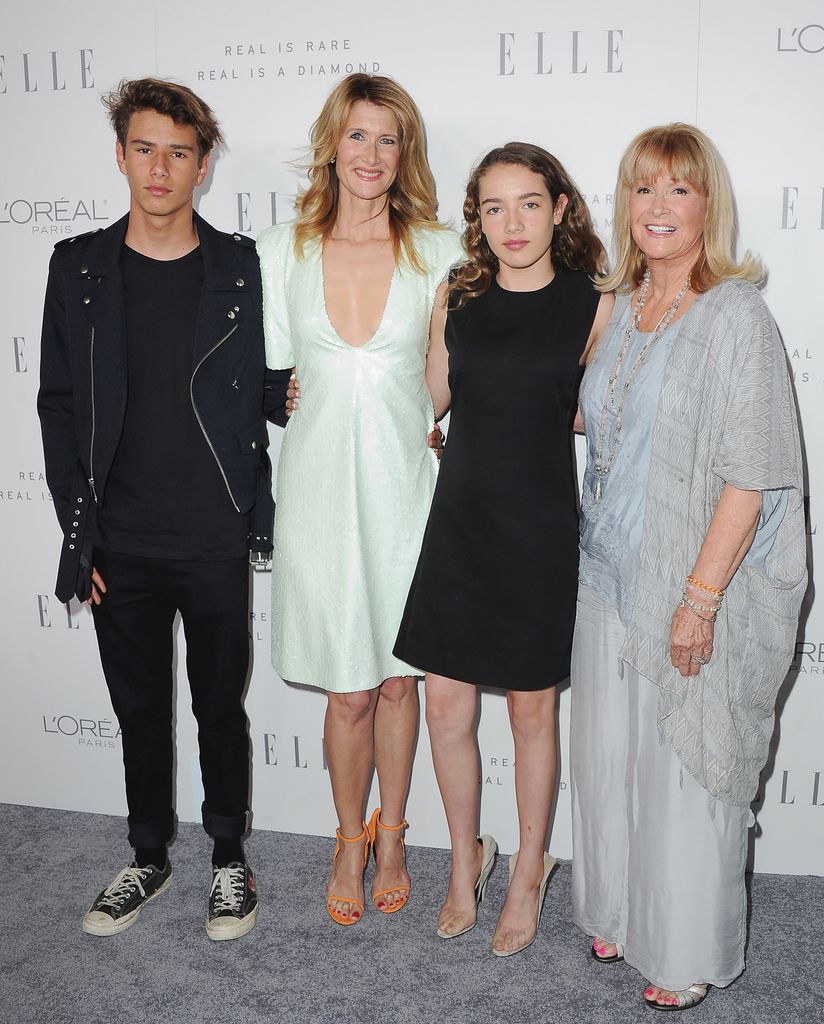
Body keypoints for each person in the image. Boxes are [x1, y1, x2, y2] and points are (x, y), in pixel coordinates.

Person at [37, 78, 289, 940]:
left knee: (219, 707)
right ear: (120, 155)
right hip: (122, 540)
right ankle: (147, 854)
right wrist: (82, 534)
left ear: (203, 165)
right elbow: (58, 404)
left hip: (214, 531)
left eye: (179, 152)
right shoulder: (77, 266)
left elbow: (273, 387)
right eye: (144, 148)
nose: (160, 167)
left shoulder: (241, 267)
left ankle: (228, 859)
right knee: (138, 709)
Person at [569, 123, 807, 1009]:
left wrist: (698, 601)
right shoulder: (619, 306)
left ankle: (686, 946)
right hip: (604, 574)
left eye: (677, 189)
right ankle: (623, 911)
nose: (657, 207)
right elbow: (601, 420)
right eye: (641, 189)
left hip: (690, 584)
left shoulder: (735, 317)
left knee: (684, 765)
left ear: (708, 204)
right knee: (614, 757)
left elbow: (751, 473)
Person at [394, 143, 613, 956]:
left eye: (528, 203)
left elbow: (602, 414)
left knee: (529, 710)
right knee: (445, 704)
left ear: (560, 208)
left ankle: (528, 871)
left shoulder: (595, 303)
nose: (511, 222)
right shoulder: (459, 290)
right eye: (493, 207)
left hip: (538, 530)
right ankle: (464, 861)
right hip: (459, 524)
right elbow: (432, 396)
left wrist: (537, 414)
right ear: (475, 219)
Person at [256, 73, 461, 926]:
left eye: (388, 138)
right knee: (347, 689)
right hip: (315, 498)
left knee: (396, 685)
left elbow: (450, 379)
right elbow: (268, 378)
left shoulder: (441, 251)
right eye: (357, 136)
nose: (371, 154)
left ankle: (393, 836)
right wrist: (283, 399)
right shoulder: (280, 250)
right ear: (331, 145)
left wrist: (441, 421)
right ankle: (348, 836)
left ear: (403, 151)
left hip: (404, 493)